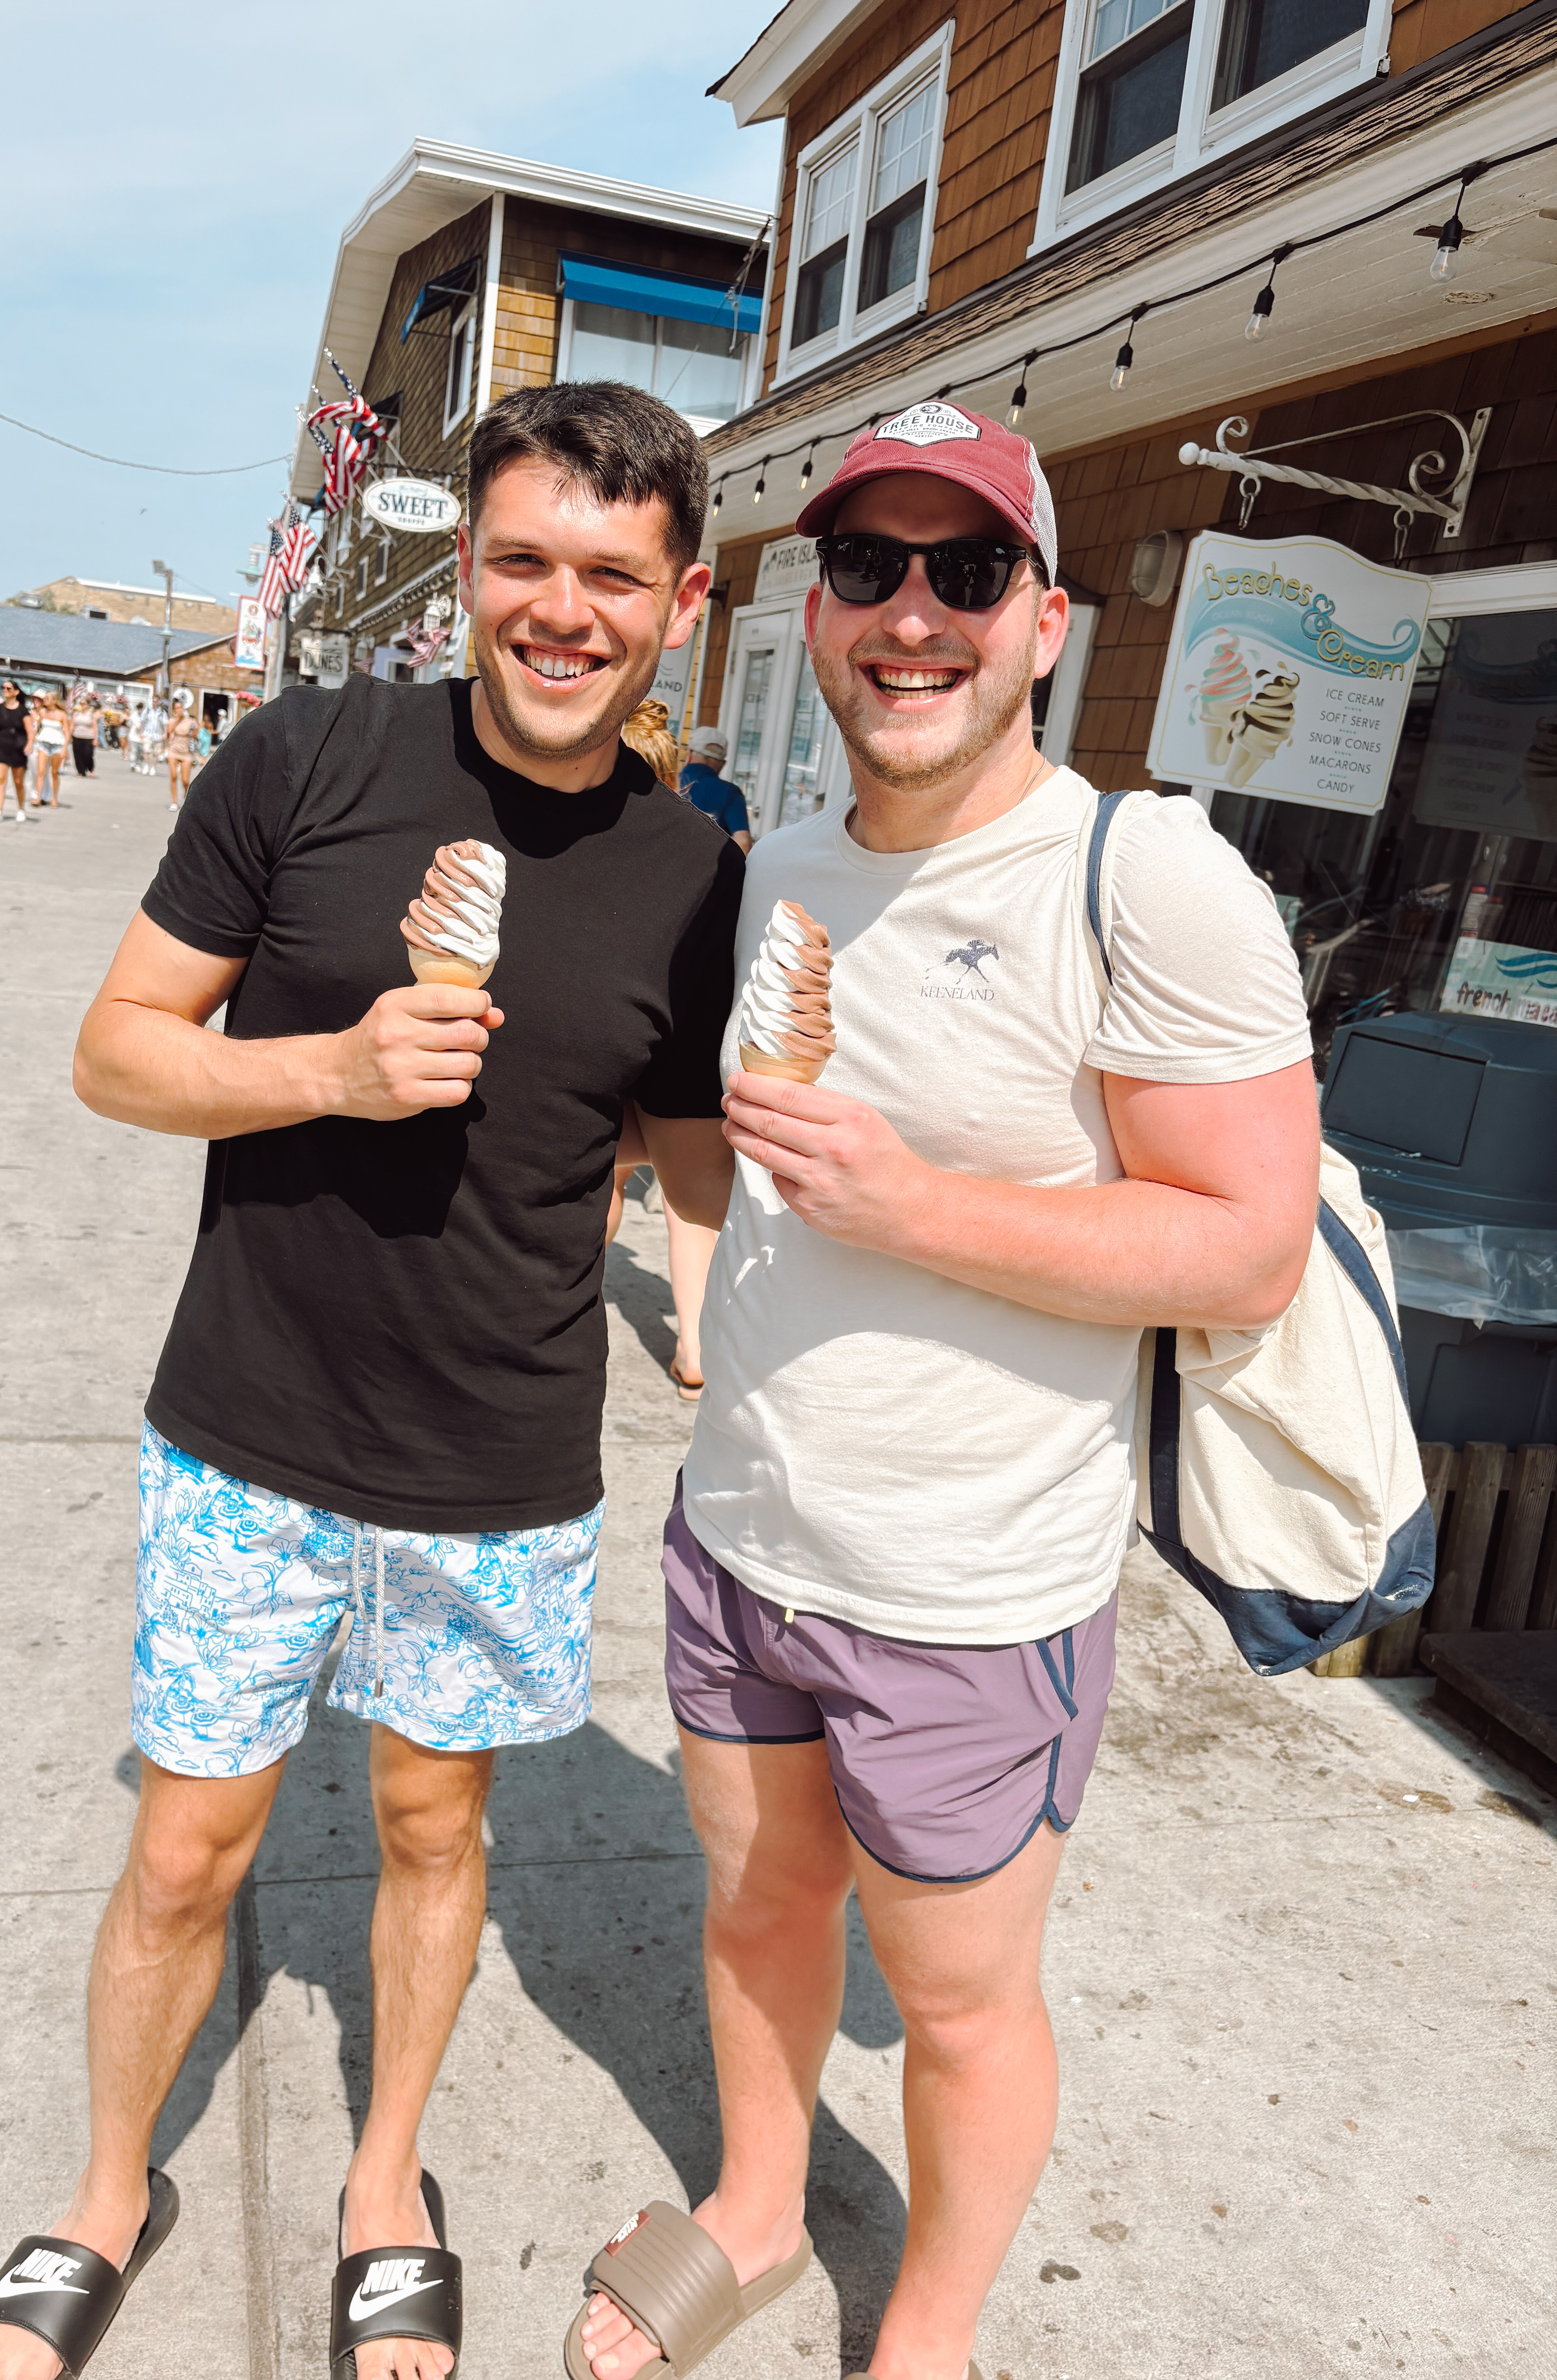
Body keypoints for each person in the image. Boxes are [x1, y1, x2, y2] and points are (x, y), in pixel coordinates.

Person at [0, 377, 742, 2380]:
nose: (564, 613)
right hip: (251, 1431)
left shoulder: (688, 874)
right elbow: (118, 1048)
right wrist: (329, 1068)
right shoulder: (308, 757)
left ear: (686, 602)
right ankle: (106, 2193)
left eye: (614, 579)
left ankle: (387, 2182)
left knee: (429, 1834)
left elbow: (692, 1145)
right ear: (468, 567)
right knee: (189, 1848)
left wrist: (740, 1311)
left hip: (498, 1454)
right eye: (527, 562)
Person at [571, 401, 1322, 2380]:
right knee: (752, 1915)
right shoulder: (777, 863)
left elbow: (1244, 1243)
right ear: (814, 615)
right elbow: (733, 1169)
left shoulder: (1143, 878)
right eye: (871, 570)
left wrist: (914, 1205)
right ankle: (748, 2209)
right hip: (743, 1533)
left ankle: (927, 2328)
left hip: (975, 1589)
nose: (915, 615)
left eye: (967, 569)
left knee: (965, 2002)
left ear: (1046, 621)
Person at [615, 699, 725, 1400]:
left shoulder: (587, 843)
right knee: (694, 1200)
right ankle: (694, 1345)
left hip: (606, 1045)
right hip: (681, 1041)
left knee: (599, 1180)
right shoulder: (699, 848)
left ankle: (552, 1311)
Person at [679, 725, 753, 852]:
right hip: (701, 869)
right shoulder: (730, 793)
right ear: (722, 764)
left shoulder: (668, 782)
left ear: (690, 754)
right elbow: (743, 842)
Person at [0, 680, 33, 822]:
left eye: (9, 688)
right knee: (0, 779)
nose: (5, 690)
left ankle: (21, 809)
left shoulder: (23, 710)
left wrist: (30, 744)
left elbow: (30, 730)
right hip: (1, 744)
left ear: (16, 692)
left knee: (18, 781)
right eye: (4, 688)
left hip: (17, 746)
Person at [33, 690, 71, 807]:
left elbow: (67, 732)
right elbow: (38, 727)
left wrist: (65, 748)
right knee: (41, 772)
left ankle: (54, 799)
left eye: (48, 699)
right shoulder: (43, 712)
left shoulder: (62, 715)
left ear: (54, 701)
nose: (45, 701)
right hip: (43, 743)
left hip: (57, 744)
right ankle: (38, 797)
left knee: (54, 773)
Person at [162, 695, 196, 812]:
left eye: (180, 708)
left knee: (186, 781)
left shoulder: (190, 722)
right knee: (173, 776)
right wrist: (178, 719)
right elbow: (169, 731)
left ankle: (186, 798)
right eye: (176, 709)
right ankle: (174, 802)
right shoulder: (172, 721)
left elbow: (196, 734)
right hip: (174, 750)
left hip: (186, 752)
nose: (179, 711)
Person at [70, 689, 100, 778]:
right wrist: (70, 736)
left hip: (88, 737)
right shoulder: (76, 714)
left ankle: (91, 769)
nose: (82, 706)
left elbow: (95, 727)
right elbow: (72, 725)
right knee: (78, 755)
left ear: (88, 705)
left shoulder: (91, 714)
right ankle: (81, 771)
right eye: (81, 704)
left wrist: (96, 739)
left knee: (88, 754)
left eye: (84, 704)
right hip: (77, 736)